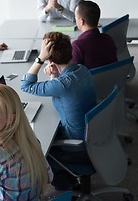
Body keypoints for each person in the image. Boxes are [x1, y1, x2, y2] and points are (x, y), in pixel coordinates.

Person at [20, 32, 96, 190]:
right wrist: (54, 74)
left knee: (34, 153)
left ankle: (66, 186)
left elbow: (25, 85)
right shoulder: (82, 70)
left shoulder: (62, 84)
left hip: (76, 147)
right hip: (92, 139)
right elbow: (59, 89)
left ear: (50, 59)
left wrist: (40, 58)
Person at [72, 0, 117, 69]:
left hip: (88, 79)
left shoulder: (77, 46)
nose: (75, 19)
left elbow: (71, 75)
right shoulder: (109, 39)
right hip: (110, 79)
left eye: (75, 17)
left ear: (81, 21)